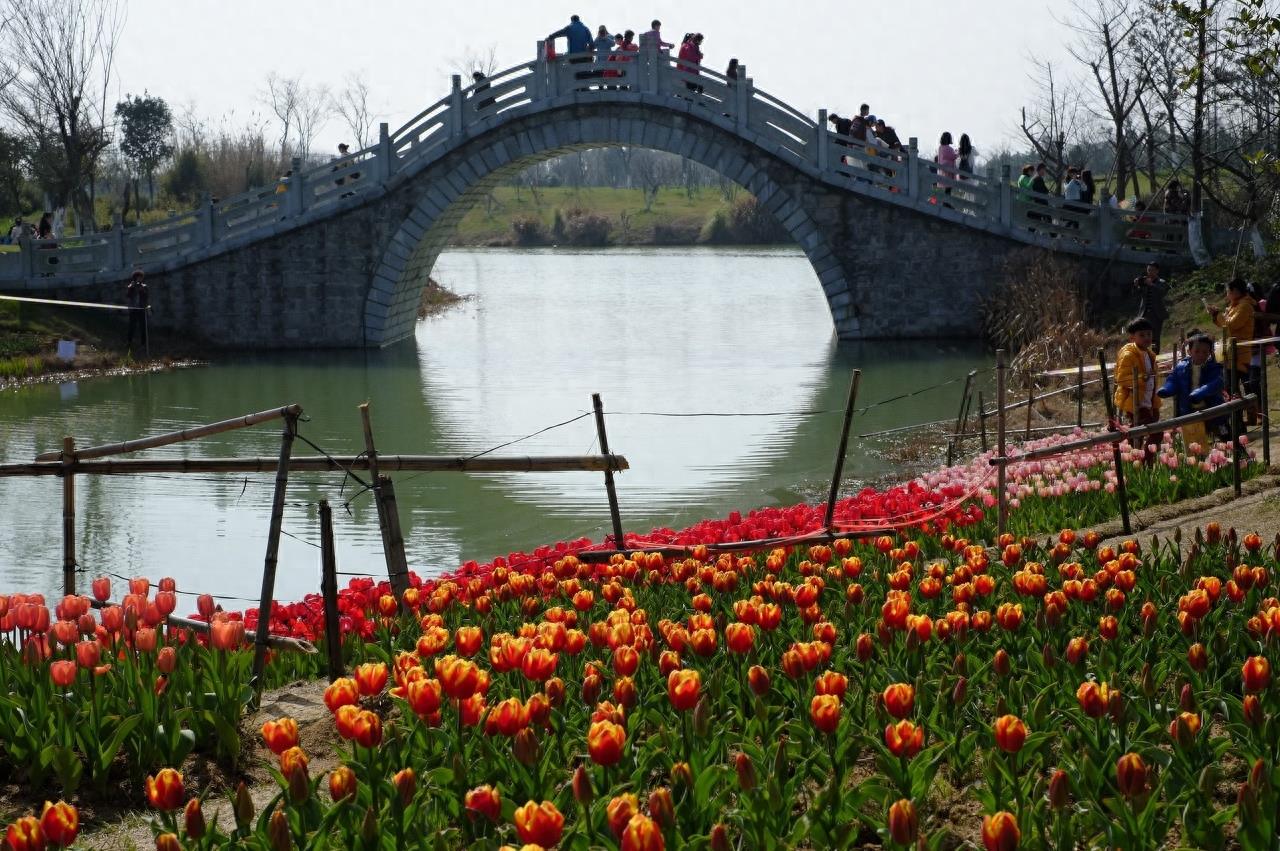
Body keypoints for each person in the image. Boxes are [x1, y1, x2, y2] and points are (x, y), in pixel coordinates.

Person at [1157, 332, 1226, 445]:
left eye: (1205, 352)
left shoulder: (1214, 368)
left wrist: (1201, 392)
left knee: (1225, 436)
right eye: (1197, 351)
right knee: (1195, 444)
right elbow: (1173, 380)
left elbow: (1216, 383)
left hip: (1213, 410)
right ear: (1189, 351)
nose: (1201, 355)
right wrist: (1167, 389)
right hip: (1189, 411)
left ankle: (1240, 457)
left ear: (1210, 352)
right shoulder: (1181, 367)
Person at [1206, 276, 1257, 421]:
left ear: (1234, 291)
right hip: (1231, 352)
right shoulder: (1235, 305)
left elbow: (1231, 325)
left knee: (1234, 388)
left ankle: (1240, 420)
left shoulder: (1244, 306)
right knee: (1234, 388)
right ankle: (1241, 419)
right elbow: (1225, 326)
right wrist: (1216, 316)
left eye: (1228, 291)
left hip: (1239, 352)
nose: (1226, 294)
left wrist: (1218, 315)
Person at [1113, 317, 1162, 459]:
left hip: (1149, 402)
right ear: (1132, 337)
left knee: (1138, 434)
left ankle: (1134, 460)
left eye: (1149, 334)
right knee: (1155, 432)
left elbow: (1152, 379)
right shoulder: (1127, 354)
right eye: (1142, 335)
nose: (1147, 338)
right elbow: (1122, 378)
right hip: (1134, 403)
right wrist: (1143, 377)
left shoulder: (1150, 354)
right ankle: (1145, 461)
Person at [1132, 262, 1168, 351]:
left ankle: (1155, 355)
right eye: (1148, 270)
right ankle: (1143, 354)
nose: (1150, 272)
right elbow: (1136, 295)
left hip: (1156, 314)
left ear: (1157, 271)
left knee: (1155, 337)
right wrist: (1137, 286)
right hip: (1144, 314)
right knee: (1141, 335)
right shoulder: (1144, 282)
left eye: (1152, 270)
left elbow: (1162, 292)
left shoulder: (1161, 282)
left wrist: (1151, 285)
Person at [125, 270, 149, 351]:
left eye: (141, 277)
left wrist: (142, 290)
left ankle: (143, 344)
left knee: (143, 327)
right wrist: (131, 287)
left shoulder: (144, 286)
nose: (140, 279)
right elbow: (128, 296)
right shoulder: (131, 286)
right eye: (138, 277)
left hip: (141, 309)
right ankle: (129, 342)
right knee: (132, 327)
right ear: (135, 278)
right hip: (133, 309)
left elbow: (146, 297)